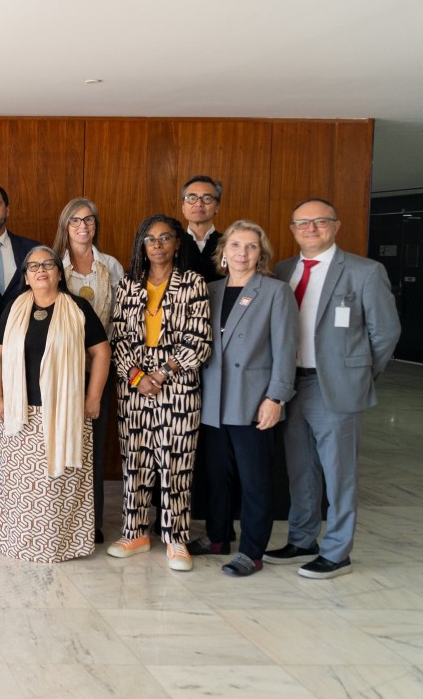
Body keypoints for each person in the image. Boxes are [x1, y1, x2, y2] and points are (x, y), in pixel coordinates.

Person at [264, 198, 401, 579]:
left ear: (336, 226)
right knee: (300, 469)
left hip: (335, 388)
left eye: (320, 221)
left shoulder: (364, 271)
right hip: (290, 385)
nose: (311, 228)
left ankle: (338, 551)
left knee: (339, 474)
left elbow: (385, 333)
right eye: (302, 222)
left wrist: (359, 376)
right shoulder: (283, 270)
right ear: (292, 230)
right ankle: (302, 539)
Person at [0, 247, 110, 562]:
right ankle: (16, 540)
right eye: (34, 266)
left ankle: (60, 544)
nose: (41, 270)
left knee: (57, 485)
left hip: (66, 412)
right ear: (26, 277)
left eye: (48, 265)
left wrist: (93, 397)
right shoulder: (15, 308)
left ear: (59, 272)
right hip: (20, 411)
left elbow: (101, 352)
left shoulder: (78, 308)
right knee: (22, 486)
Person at [194, 220, 298, 576]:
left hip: (253, 401)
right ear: (223, 252)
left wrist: (276, 398)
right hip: (213, 400)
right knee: (216, 475)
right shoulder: (210, 290)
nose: (243, 252)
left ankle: (252, 552)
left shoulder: (275, 292)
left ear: (261, 254)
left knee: (255, 481)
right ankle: (218, 537)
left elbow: (286, 349)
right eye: (236, 245)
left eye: (251, 246)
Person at [108, 214, 211, 571]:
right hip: (134, 384)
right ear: (142, 245)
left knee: (175, 462)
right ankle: (135, 532)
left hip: (178, 383)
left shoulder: (193, 283)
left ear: (177, 243)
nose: (157, 245)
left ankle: (175, 538)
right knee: (135, 461)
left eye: (165, 238)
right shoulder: (128, 284)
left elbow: (199, 339)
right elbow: (118, 336)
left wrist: (162, 373)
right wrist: (138, 376)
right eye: (150, 239)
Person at [51, 197, 124, 544]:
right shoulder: (53, 265)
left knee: (93, 445)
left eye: (89, 220)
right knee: (61, 443)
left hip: (100, 368)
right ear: (65, 226)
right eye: (75, 220)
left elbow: (122, 319)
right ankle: (60, 517)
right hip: (60, 369)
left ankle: (90, 521)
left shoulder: (111, 266)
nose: (83, 226)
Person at [180, 175, 224, 283]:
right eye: (192, 198)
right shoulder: (174, 244)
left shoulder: (228, 243)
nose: (199, 204)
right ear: (183, 207)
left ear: (217, 207)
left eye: (207, 198)